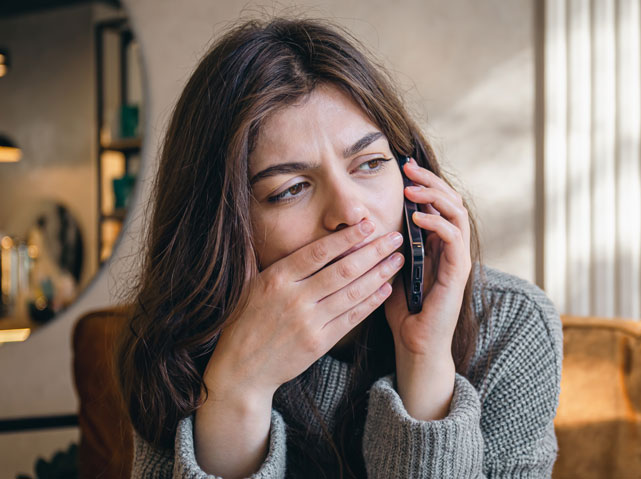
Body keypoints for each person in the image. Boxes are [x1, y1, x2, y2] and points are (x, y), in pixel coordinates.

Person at [116, 16, 563, 479]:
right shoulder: (179, 343)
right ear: (224, 226)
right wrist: (237, 391)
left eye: (370, 162)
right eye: (291, 188)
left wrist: (425, 360)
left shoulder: (511, 326)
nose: (350, 211)